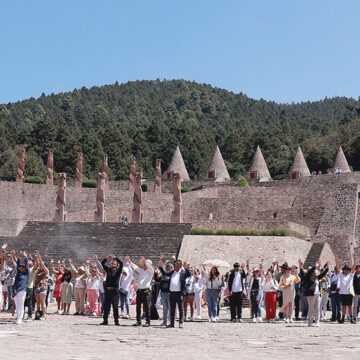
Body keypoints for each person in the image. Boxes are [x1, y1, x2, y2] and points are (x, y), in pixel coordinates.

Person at [158, 258, 191, 328]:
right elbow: (165, 273)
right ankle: (172, 323)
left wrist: (186, 268)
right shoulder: (172, 272)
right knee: (172, 309)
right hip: (172, 293)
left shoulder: (183, 272)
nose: (174, 266)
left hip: (179, 293)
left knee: (180, 308)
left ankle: (181, 322)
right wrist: (161, 267)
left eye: (176, 265)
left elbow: (189, 275)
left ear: (179, 266)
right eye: (174, 265)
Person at [301, 259, 329, 327]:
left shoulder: (317, 278)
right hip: (311, 294)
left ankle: (317, 321)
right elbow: (309, 272)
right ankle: (310, 322)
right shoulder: (308, 277)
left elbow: (323, 273)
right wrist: (315, 267)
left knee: (317, 308)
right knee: (311, 308)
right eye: (314, 271)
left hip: (317, 294)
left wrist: (327, 267)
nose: (315, 272)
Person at [128, 256, 153, 327]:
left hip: (146, 291)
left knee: (146, 307)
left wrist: (146, 262)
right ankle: (138, 321)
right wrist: (130, 262)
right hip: (139, 291)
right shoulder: (142, 270)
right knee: (138, 306)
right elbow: (135, 267)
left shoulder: (150, 271)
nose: (144, 265)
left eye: (145, 264)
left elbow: (149, 267)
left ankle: (148, 321)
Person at [100, 254, 123, 326]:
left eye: (114, 263)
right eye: (112, 263)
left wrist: (116, 258)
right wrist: (107, 258)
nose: (113, 264)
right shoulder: (109, 270)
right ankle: (105, 320)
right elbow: (102, 264)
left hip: (114, 291)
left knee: (115, 306)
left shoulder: (118, 271)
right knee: (106, 306)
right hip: (108, 290)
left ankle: (116, 321)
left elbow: (122, 264)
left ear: (117, 265)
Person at [337, 257, 357, 324]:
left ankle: (351, 318)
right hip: (343, 293)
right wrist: (337, 262)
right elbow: (337, 269)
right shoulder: (341, 275)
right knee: (344, 306)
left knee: (350, 306)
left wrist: (355, 263)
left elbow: (353, 269)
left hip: (349, 293)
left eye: (348, 270)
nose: (346, 271)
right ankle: (343, 318)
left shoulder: (350, 275)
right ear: (343, 270)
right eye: (345, 269)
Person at [12, 250, 30, 324]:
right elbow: (18, 263)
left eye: (23, 267)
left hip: (22, 290)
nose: (21, 268)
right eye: (21, 267)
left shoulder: (26, 274)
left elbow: (27, 266)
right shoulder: (19, 273)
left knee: (21, 304)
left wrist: (25, 258)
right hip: (16, 290)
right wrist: (18, 256)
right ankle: (18, 317)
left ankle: (20, 318)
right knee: (17, 304)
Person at [155, 261, 173, 327]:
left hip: (169, 293)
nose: (168, 269)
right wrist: (156, 273)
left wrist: (161, 267)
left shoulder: (172, 275)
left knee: (170, 308)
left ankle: (171, 321)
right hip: (163, 293)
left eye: (169, 268)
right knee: (165, 308)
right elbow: (157, 280)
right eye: (167, 268)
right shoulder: (163, 275)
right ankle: (164, 321)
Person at [33, 252, 50, 320]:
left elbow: (42, 265)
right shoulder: (38, 271)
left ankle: (44, 315)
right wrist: (37, 258)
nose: (40, 266)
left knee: (42, 302)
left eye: (42, 265)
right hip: (37, 286)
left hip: (43, 287)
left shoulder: (46, 271)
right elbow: (36, 265)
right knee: (38, 302)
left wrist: (39, 258)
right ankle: (38, 315)